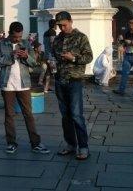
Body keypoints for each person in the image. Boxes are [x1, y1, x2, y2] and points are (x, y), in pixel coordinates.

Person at [0, 21, 49, 155]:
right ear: (9, 34)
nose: (18, 39)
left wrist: (26, 57)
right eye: (15, 37)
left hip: (24, 84)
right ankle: (11, 143)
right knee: (9, 114)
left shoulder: (26, 44)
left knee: (28, 114)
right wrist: (11, 56)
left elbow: (34, 63)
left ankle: (35, 143)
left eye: (20, 36)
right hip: (7, 84)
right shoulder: (1, 44)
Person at [51, 11, 92, 160]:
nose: (62, 28)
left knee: (76, 114)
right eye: (59, 26)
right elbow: (53, 55)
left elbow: (89, 56)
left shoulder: (81, 37)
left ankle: (83, 146)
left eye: (64, 25)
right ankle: (70, 144)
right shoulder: (57, 39)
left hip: (74, 80)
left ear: (71, 21)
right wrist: (51, 62)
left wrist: (73, 58)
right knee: (65, 116)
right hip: (60, 80)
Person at [113, 17, 133, 97]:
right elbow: (124, 44)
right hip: (127, 55)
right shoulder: (127, 33)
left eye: (132, 23)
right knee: (124, 73)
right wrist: (121, 42)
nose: (130, 24)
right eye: (129, 22)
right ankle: (121, 90)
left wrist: (131, 42)